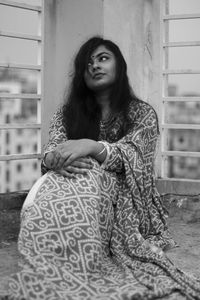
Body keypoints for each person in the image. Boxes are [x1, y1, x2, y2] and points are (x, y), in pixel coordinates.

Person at [1, 36, 200, 300]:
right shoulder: (67, 113)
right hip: (70, 184)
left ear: (119, 67)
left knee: (90, 172)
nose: (94, 66)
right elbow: (53, 149)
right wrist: (54, 160)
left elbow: (136, 159)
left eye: (103, 58)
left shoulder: (142, 114)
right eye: (88, 63)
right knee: (65, 177)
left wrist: (92, 147)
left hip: (125, 201)